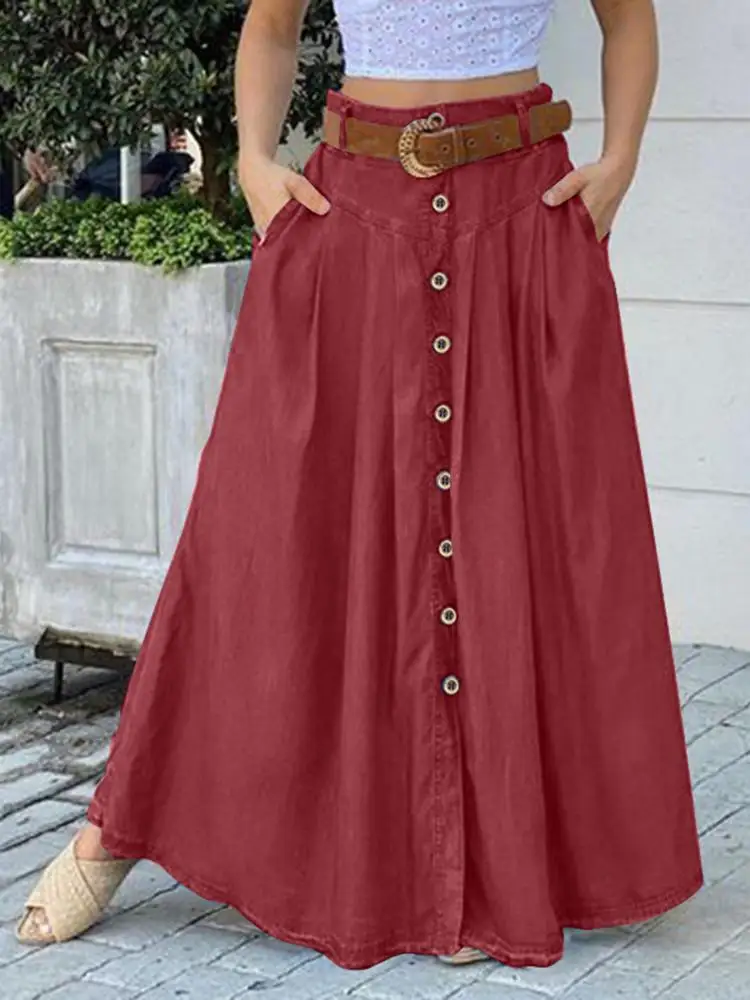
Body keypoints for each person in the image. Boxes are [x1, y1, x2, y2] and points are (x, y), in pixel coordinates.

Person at [17, 0, 704, 969]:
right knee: (258, 528)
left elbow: (627, 20)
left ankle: (481, 871)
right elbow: (271, 26)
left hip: (522, 219)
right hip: (355, 217)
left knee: (530, 535)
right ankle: (120, 824)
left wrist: (621, 159)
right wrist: (255, 162)